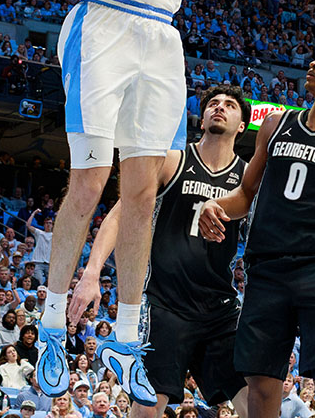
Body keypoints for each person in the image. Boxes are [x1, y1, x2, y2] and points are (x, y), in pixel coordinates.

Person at [25, 0, 245, 404]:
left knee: (145, 192)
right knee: (90, 182)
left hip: (160, 39)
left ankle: (124, 331)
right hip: (101, 25)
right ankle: (50, 324)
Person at [199, 43, 315, 418]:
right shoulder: (276, 125)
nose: (314, 63)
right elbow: (245, 193)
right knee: (262, 385)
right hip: (264, 269)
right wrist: (215, 205)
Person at [70, 85, 252, 418]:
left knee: (254, 399)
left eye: (229, 105)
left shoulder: (248, 177)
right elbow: (121, 211)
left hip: (220, 306)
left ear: (242, 125)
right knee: (149, 402)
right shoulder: (174, 161)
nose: (219, 108)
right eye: (213, 103)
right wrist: (92, 272)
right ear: (202, 118)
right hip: (166, 304)